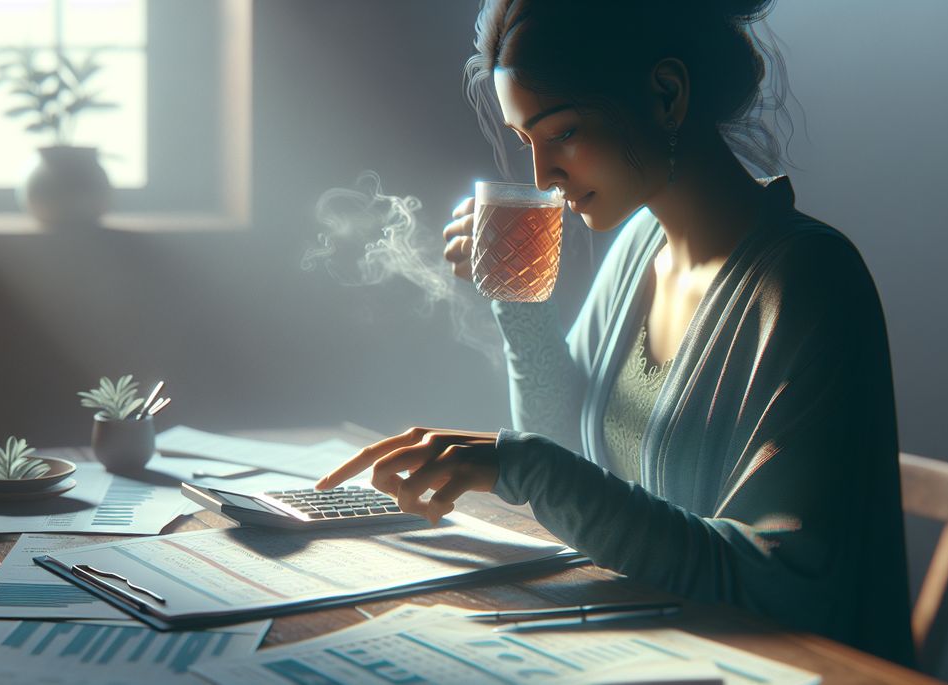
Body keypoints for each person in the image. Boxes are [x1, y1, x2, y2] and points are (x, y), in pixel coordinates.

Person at [316, 0, 914, 667]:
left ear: (665, 94)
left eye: (564, 132)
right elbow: (569, 448)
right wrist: (521, 302)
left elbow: (775, 589)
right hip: (646, 652)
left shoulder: (808, 282)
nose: (543, 177)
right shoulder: (638, 245)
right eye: (528, 144)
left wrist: (526, 468)